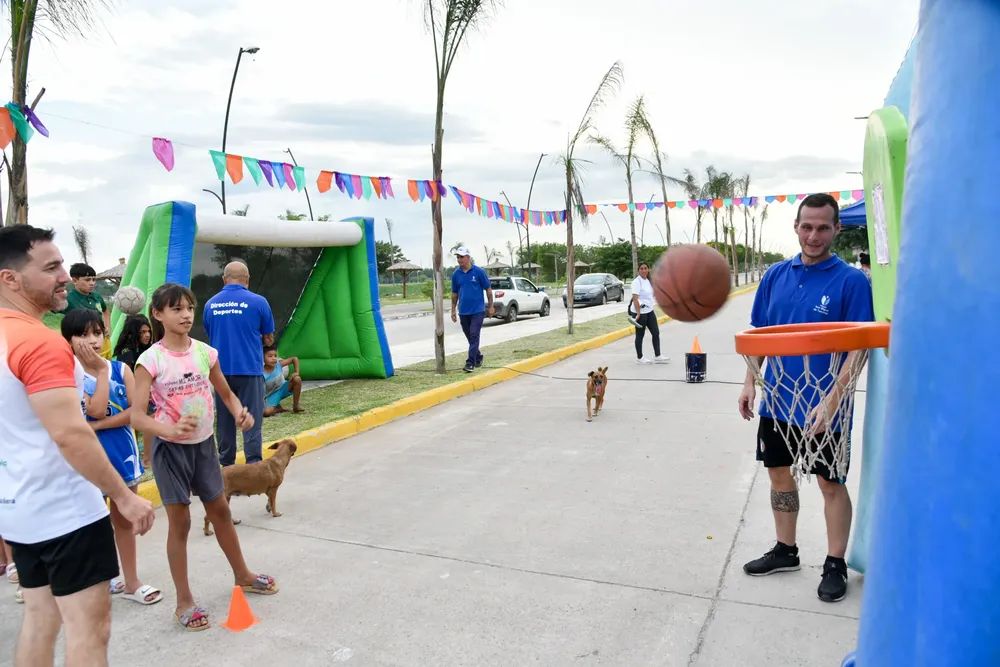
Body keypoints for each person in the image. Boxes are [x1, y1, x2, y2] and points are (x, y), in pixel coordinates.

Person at [0, 225, 155, 667]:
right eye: (51, 268)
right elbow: (71, 433)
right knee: (89, 629)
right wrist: (124, 496)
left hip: (18, 510)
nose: (65, 277)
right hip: (65, 511)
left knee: (40, 620)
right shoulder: (40, 342)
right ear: (10, 279)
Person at [737, 193, 874, 604]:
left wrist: (832, 401)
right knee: (779, 475)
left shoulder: (851, 281)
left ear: (837, 229)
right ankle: (786, 550)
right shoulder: (775, 275)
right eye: (807, 227)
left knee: (830, 482)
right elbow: (760, 335)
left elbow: (859, 348)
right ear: (796, 227)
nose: (814, 236)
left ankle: (835, 563)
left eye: (823, 228)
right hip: (779, 400)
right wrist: (749, 382)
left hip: (826, 407)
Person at [132, 282, 279, 631]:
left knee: (221, 511)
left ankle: (243, 575)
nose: (185, 315)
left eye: (189, 308)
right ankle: (184, 601)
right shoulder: (150, 360)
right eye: (176, 309)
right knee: (180, 522)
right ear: (158, 314)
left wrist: (240, 411)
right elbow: (137, 416)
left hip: (203, 446)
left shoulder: (205, 352)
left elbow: (226, 394)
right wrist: (168, 430)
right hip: (170, 451)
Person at [61, 309, 162, 606]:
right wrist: (101, 374)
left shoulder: (121, 369)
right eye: (82, 335)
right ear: (68, 341)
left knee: (123, 521)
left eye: (97, 332)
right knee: (92, 525)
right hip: (86, 460)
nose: (92, 341)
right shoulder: (69, 376)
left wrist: (99, 426)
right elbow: (93, 408)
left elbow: (136, 411)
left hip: (122, 455)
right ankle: (99, 580)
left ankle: (131, 581)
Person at [203, 261, 275, 466]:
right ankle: (253, 464)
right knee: (251, 419)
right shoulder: (259, 302)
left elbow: (211, 334)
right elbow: (269, 339)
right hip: (250, 369)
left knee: (224, 421)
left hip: (220, 372)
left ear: (224, 279)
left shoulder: (210, 304)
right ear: (248, 279)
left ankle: (226, 466)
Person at [450, 247, 494, 373]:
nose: (459, 259)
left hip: (477, 311)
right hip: (463, 311)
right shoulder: (456, 275)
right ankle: (478, 357)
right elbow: (454, 294)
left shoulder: (479, 272)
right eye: (458, 257)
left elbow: (488, 290)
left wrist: (491, 307)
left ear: (468, 257)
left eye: (462, 257)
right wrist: (453, 310)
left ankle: (470, 363)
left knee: (474, 335)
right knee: (470, 336)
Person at [60, 262, 113, 359]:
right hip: (81, 347)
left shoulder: (97, 297)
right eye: (87, 280)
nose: (92, 283)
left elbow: (106, 311)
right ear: (75, 280)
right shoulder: (68, 299)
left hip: (100, 344)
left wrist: (108, 326)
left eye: (94, 279)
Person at [629, 261, 669, 365]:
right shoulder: (637, 282)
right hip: (640, 312)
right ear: (638, 271)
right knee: (640, 335)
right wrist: (638, 314)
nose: (643, 270)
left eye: (645, 268)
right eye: (641, 268)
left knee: (655, 332)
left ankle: (658, 355)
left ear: (648, 269)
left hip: (649, 311)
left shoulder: (648, 281)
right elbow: (635, 299)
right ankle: (640, 358)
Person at [262, 345, 303, 417]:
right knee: (266, 413)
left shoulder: (278, 364)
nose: (274, 358)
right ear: (263, 358)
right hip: (270, 396)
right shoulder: (261, 373)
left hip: (282, 389)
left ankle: (296, 406)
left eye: (275, 356)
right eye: (270, 356)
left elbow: (294, 359)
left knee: (297, 379)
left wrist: (296, 372)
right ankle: (278, 408)